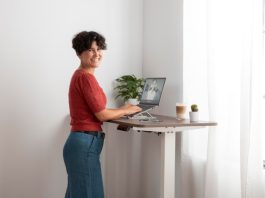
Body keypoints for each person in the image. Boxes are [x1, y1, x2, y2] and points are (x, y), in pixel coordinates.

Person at [63, 31, 142, 198]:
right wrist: (126, 110)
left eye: (99, 49)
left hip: (81, 143)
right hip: (85, 144)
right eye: (91, 50)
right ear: (79, 52)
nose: (97, 54)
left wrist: (123, 109)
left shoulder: (83, 76)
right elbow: (102, 115)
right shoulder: (85, 78)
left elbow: (99, 110)